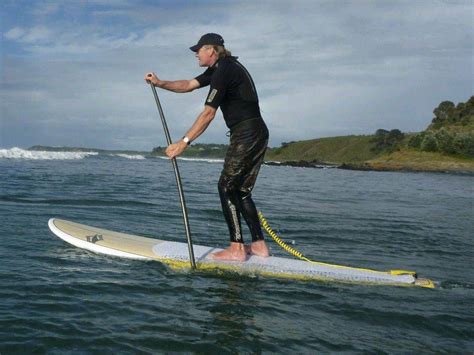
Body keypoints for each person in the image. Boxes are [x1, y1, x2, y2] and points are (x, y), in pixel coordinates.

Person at [144, 33, 269, 261]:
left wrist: (183, 143)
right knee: (239, 190)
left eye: (198, 50)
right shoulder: (221, 68)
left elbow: (208, 113)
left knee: (225, 187)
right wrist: (160, 83)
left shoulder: (224, 70)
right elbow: (189, 85)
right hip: (255, 132)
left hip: (248, 133)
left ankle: (237, 248)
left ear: (211, 50)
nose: (196, 53)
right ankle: (259, 246)